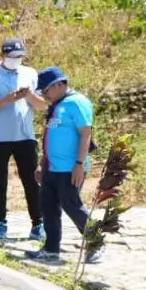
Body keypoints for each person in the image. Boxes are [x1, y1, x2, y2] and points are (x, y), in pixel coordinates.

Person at [25, 67, 102, 264]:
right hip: (52, 167)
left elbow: (86, 135)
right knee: (48, 207)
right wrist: (42, 163)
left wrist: (79, 164)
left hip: (70, 167)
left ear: (60, 84)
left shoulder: (77, 102)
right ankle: (51, 249)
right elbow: (50, 137)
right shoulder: (56, 105)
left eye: (46, 91)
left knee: (72, 205)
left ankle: (96, 242)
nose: (45, 95)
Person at [0, 38, 46, 242]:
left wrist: (28, 96)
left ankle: (38, 223)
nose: (16, 60)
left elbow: (41, 105)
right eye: (12, 57)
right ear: (3, 56)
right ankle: (0, 223)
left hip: (24, 136)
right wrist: (6, 100)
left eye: (20, 57)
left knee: (31, 180)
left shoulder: (30, 73)